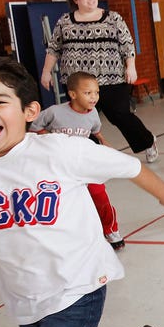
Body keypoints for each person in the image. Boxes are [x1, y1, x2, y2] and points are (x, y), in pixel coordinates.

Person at [0, 56, 164, 327]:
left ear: (30, 111)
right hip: (25, 298)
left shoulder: (60, 151)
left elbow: (129, 166)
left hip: (77, 286)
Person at [40, 0, 159, 163]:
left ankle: (147, 142)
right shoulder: (65, 22)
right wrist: (46, 72)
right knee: (79, 119)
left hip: (110, 79)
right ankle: (89, 155)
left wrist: (131, 66)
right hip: (77, 82)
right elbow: (53, 48)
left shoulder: (113, 18)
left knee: (120, 115)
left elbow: (127, 44)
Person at [30, 71, 126, 250]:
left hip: (84, 165)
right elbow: (34, 127)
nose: (94, 97)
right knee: (60, 203)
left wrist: (106, 143)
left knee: (99, 195)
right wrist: (51, 139)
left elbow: (96, 132)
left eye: (96, 92)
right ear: (73, 94)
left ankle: (111, 230)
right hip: (59, 167)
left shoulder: (93, 114)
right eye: (88, 93)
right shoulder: (54, 112)